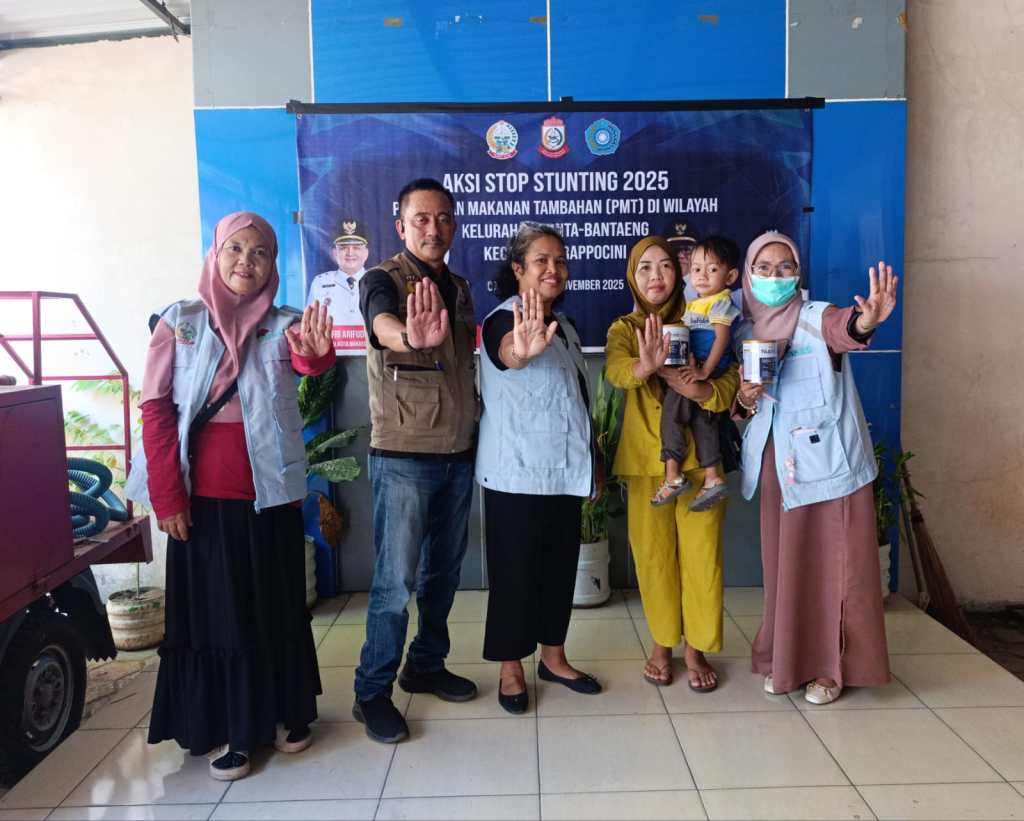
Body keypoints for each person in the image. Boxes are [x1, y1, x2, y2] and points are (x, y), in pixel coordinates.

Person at [126, 212, 335, 781]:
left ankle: (285, 713)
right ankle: (234, 728)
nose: (247, 261)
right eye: (235, 249)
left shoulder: (286, 322)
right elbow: (155, 411)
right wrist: (168, 497)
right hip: (204, 502)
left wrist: (317, 356)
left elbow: (308, 362)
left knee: (276, 606)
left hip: (270, 496)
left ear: (272, 264)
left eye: (260, 252)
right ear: (214, 256)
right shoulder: (180, 323)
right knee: (224, 615)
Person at [734, 230, 898, 705]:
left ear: (798, 274)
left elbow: (845, 329)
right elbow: (741, 409)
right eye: (764, 268)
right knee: (787, 570)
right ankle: (787, 660)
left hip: (830, 469)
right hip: (779, 470)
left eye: (785, 267)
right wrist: (744, 398)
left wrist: (865, 322)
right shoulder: (744, 331)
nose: (775, 276)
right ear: (748, 275)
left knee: (836, 571)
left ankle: (831, 668)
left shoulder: (815, 316)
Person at [353, 178, 480, 743]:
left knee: (442, 573)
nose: (434, 228)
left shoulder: (460, 287)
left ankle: (425, 665)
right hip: (404, 455)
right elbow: (381, 324)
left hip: (459, 451)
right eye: (422, 219)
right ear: (401, 226)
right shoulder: (382, 279)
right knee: (394, 582)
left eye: (444, 218)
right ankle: (371, 692)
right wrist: (407, 336)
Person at [476, 223, 602, 714]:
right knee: (515, 575)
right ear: (517, 269)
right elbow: (509, 354)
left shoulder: (565, 328)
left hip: (565, 473)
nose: (554, 269)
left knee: (557, 571)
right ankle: (510, 667)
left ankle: (553, 657)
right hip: (517, 474)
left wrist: (592, 465)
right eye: (541, 261)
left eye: (560, 261)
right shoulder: (500, 320)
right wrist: (521, 350)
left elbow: (575, 402)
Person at [606, 237, 739, 692]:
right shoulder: (624, 328)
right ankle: (663, 643)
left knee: (703, 557)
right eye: (644, 268)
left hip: (703, 464)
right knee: (654, 559)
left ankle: (696, 647)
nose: (656, 276)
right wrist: (644, 368)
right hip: (647, 465)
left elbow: (731, 376)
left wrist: (701, 389)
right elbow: (616, 371)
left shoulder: (702, 316)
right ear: (632, 276)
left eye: (665, 265)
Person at [653, 235, 741, 511]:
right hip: (698, 365)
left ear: (730, 276)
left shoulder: (720, 302)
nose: (702, 276)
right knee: (704, 422)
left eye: (712, 269)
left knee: (671, 413)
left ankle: (672, 475)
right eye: (696, 268)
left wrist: (703, 372)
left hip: (705, 368)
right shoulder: (694, 303)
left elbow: (722, 339)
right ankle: (712, 477)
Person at [306, 219, 371, 348]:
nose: (350, 253)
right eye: (343, 247)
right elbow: (309, 324)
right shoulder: (320, 282)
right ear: (334, 253)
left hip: (370, 356)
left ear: (366, 253)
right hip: (330, 355)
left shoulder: (378, 280)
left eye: (356, 247)